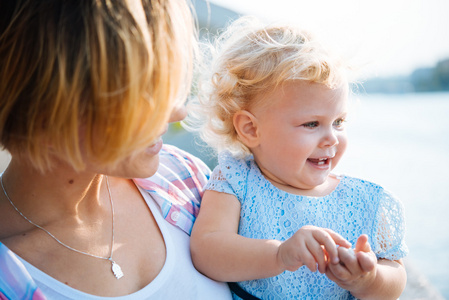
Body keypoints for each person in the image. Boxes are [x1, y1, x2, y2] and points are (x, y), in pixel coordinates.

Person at [0, 0, 232, 299]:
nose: (177, 112)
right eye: (145, 90)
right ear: (52, 103)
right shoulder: (11, 279)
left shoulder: (188, 182)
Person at [189, 17, 408, 299]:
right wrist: (279, 254)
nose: (332, 138)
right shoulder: (236, 181)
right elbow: (207, 252)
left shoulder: (366, 201)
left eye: (339, 121)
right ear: (251, 128)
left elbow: (396, 275)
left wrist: (369, 279)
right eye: (312, 124)